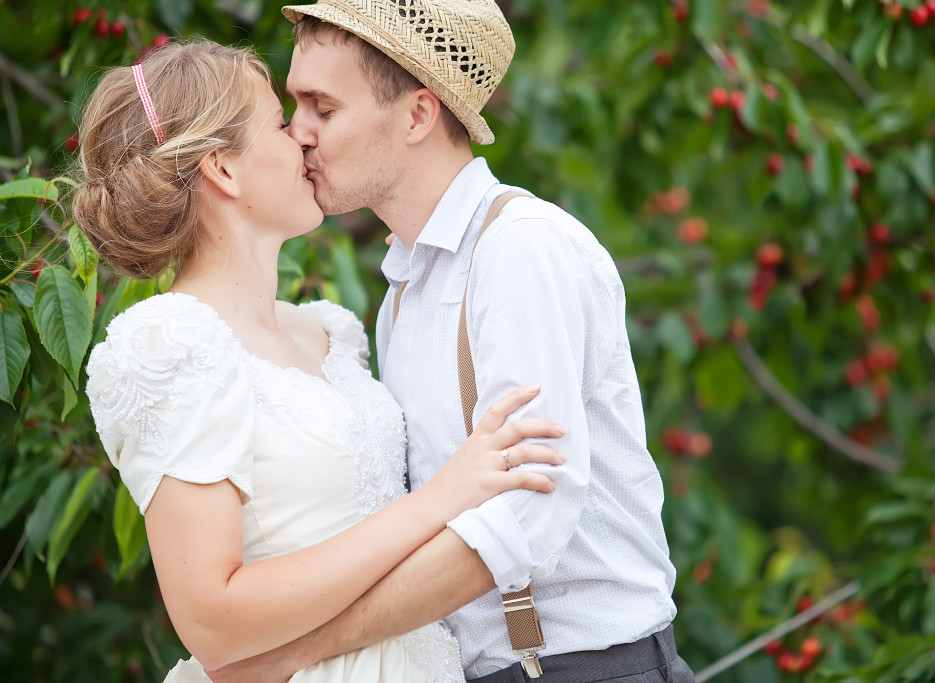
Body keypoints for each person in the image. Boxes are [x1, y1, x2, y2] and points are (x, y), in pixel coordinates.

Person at [209, 1, 697, 681]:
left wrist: (304, 650)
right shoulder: (403, 289)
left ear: (417, 114)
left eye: (324, 107)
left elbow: (526, 515)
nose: (299, 134)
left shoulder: (519, 250)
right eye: (296, 105)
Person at [74, 39, 568, 682]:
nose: (303, 137)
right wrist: (439, 500)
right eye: (281, 122)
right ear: (223, 169)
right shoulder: (171, 343)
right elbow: (212, 619)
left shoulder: (325, 333)